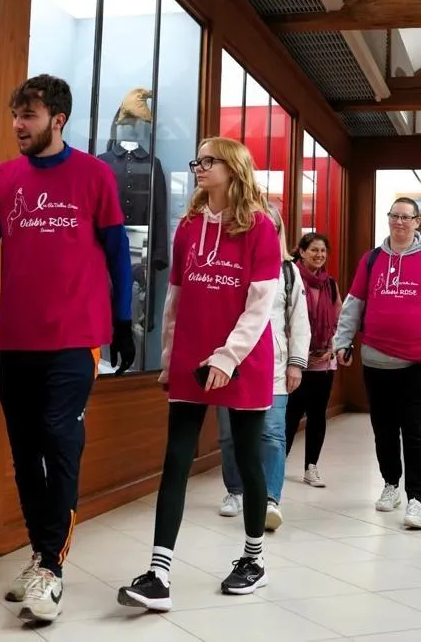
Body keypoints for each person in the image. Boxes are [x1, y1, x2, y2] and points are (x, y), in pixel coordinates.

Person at [0, 75, 135, 623]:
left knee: (60, 441)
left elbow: (118, 252)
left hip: (75, 338)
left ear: (58, 120)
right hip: (16, 337)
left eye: (28, 116)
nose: (18, 125)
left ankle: (51, 571)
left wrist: (123, 320)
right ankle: (40, 555)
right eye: (16, 115)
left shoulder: (95, 175)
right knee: (25, 452)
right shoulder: (4, 177)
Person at [118, 137, 280, 612]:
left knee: (248, 461)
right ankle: (158, 573)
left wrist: (227, 358)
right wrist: (170, 358)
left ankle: (253, 560)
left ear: (234, 168)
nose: (199, 167)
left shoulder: (260, 227)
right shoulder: (189, 226)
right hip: (191, 356)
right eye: (198, 160)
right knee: (175, 460)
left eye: (209, 161)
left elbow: (260, 306)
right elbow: (175, 299)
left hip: (243, 360)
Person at [332, 197, 421, 531]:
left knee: (415, 428)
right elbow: (354, 303)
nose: (399, 222)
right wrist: (342, 341)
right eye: (394, 216)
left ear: (417, 222)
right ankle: (391, 484)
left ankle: (417, 498)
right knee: (384, 428)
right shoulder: (372, 259)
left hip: (420, 361)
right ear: (388, 219)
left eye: (406, 217)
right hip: (376, 359)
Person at [215, 205, 308, 529]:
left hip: (274, 365)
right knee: (229, 435)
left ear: (278, 231)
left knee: (272, 433)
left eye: (271, 225)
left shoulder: (288, 271)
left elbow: (299, 320)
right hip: (233, 361)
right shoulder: (230, 263)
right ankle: (236, 491)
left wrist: (296, 363)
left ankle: (270, 499)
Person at [286, 231, 345, 487]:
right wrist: (298, 353)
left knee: (317, 416)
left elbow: (339, 319)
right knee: (289, 417)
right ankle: (278, 463)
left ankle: (311, 467)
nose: (319, 255)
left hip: (323, 363)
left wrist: (333, 348)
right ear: (301, 251)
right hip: (294, 362)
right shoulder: (290, 278)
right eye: (314, 250)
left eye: (323, 251)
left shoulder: (330, 284)